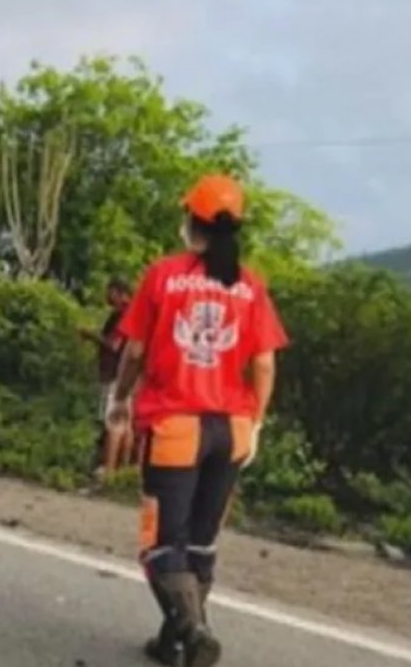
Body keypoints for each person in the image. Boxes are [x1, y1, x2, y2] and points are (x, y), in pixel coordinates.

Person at [105, 174, 288, 667]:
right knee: (201, 543)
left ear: (191, 221)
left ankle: (193, 628)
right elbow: (265, 363)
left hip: (175, 427)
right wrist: (257, 422)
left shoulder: (164, 276)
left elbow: (135, 351)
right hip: (231, 429)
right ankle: (175, 643)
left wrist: (119, 400)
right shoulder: (249, 285)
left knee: (162, 546)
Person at [80, 278, 134, 479]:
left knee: (114, 423)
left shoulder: (124, 315)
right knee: (126, 424)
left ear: (119, 293)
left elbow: (114, 345)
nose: (107, 296)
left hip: (117, 375)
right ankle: (124, 471)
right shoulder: (134, 313)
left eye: (110, 292)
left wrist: (91, 335)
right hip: (127, 375)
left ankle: (110, 472)